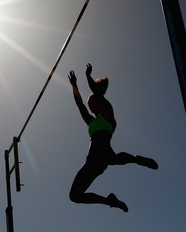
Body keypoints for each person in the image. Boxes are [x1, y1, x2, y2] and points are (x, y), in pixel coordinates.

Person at [68, 63, 158, 212]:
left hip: (100, 150)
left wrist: (87, 76)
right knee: (74, 196)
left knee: (112, 158)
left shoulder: (107, 112)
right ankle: (110, 201)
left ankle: (137, 159)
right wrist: (74, 85)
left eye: (91, 103)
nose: (89, 105)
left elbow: (96, 91)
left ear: (97, 102)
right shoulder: (91, 121)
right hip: (94, 161)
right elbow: (80, 105)